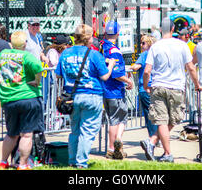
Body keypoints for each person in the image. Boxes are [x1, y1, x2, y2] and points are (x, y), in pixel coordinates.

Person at [55, 24, 117, 168]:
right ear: (89, 38)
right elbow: (105, 76)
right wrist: (111, 65)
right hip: (92, 95)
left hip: (72, 97)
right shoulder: (94, 55)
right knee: (87, 131)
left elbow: (58, 74)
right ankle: (81, 163)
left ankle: (72, 161)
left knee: (75, 131)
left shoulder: (65, 53)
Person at [140, 17, 199, 163]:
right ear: (173, 29)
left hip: (158, 86)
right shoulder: (182, 45)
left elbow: (147, 71)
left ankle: (152, 141)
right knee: (174, 118)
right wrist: (197, 83)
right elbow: (191, 67)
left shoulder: (155, 46)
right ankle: (167, 153)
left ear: (161, 29)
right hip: (176, 87)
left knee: (162, 120)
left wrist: (146, 85)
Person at [0, 31, 45, 170]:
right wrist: (36, 81)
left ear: (11, 42)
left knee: (11, 134)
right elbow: (39, 68)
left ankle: (3, 162)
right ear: (25, 44)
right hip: (27, 97)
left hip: (8, 99)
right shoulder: (27, 56)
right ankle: (22, 164)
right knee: (26, 135)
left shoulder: (2, 55)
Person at [101, 21, 133, 160]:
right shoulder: (115, 50)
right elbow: (116, 74)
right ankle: (113, 147)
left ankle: (114, 145)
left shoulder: (102, 47)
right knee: (118, 119)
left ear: (106, 32)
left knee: (114, 119)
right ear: (118, 34)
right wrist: (128, 80)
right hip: (115, 91)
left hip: (105, 90)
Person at [130, 35, 158, 139]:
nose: (141, 45)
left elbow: (137, 66)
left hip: (145, 87)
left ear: (149, 44)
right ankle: (157, 136)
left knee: (149, 115)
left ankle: (153, 137)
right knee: (157, 114)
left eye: (143, 43)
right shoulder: (156, 54)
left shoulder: (145, 54)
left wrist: (131, 67)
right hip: (156, 87)